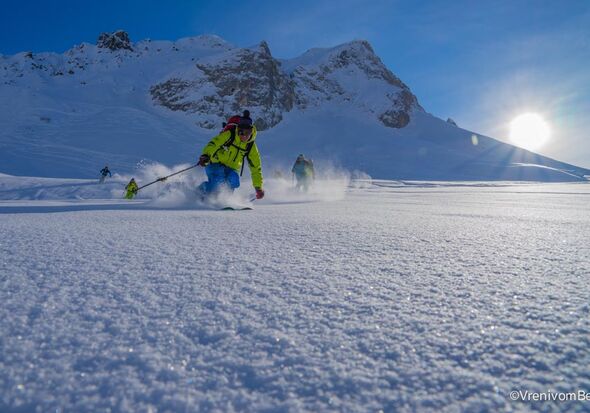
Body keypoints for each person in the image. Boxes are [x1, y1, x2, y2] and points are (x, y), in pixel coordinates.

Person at [196, 111, 265, 200]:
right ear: (238, 130)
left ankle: (224, 199)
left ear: (251, 131)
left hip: (231, 168)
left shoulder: (250, 145)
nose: (244, 136)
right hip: (215, 163)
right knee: (218, 180)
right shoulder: (229, 135)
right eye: (241, 132)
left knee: (234, 180)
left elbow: (256, 166)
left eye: (247, 132)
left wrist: (258, 187)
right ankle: (199, 193)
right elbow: (214, 144)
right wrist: (205, 155)